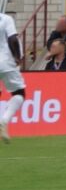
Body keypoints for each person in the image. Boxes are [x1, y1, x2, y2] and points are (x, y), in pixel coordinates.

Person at [0, 10, 26, 141]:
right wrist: (17, 57)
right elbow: (12, 39)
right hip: (5, 62)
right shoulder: (5, 19)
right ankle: (4, 120)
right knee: (19, 93)